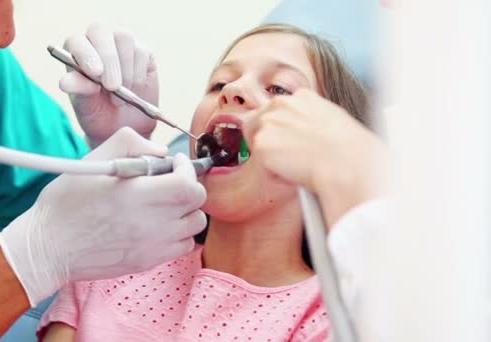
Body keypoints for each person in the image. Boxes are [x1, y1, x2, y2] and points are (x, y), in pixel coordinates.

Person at [0, 1, 206, 340]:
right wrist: (20, 268)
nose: (4, 34)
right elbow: (49, 244)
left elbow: (79, 222)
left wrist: (115, 152)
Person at [38, 23, 376, 342]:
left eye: (278, 88)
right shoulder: (115, 261)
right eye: (218, 84)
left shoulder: (334, 317)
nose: (233, 90)